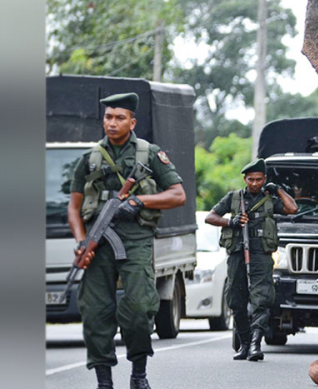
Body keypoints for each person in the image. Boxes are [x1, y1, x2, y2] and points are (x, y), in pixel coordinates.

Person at [67, 93, 187, 389]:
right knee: (95, 312)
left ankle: (138, 374)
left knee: (137, 309)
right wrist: (83, 242)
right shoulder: (89, 158)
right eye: (108, 117)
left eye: (120, 117)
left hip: (135, 241)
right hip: (99, 242)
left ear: (132, 122)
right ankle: (104, 381)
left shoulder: (149, 154)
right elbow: (74, 207)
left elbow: (177, 195)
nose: (112, 123)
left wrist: (140, 201)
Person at [205, 159, 297, 361]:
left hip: (261, 256)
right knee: (236, 301)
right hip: (237, 254)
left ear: (264, 179)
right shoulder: (234, 198)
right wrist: (231, 221)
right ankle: (245, 344)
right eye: (250, 179)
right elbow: (210, 217)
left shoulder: (270, 199)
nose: (254, 183)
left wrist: (279, 190)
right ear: (245, 179)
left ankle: (256, 344)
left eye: (259, 179)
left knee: (261, 299)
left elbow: (292, 209)